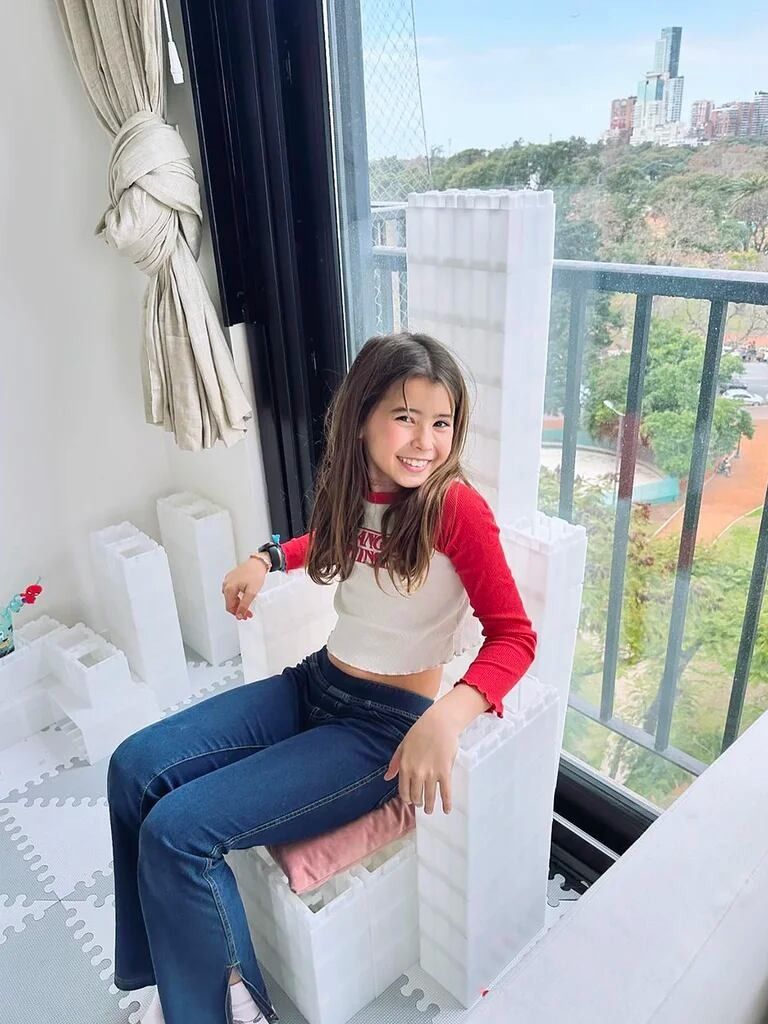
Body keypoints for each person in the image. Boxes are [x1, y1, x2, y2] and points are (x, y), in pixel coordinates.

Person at [107, 332, 538, 1024]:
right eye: (405, 418)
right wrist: (268, 558)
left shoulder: (454, 508)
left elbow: (515, 635)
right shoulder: (357, 488)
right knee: (133, 766)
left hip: (379, 732)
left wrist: (450, 714)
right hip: (316, 683)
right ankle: (173, 976)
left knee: (178, 832)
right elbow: (334, 543)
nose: (425, 442)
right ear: (363, 417)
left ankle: (227, 1008)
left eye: (441, 422)